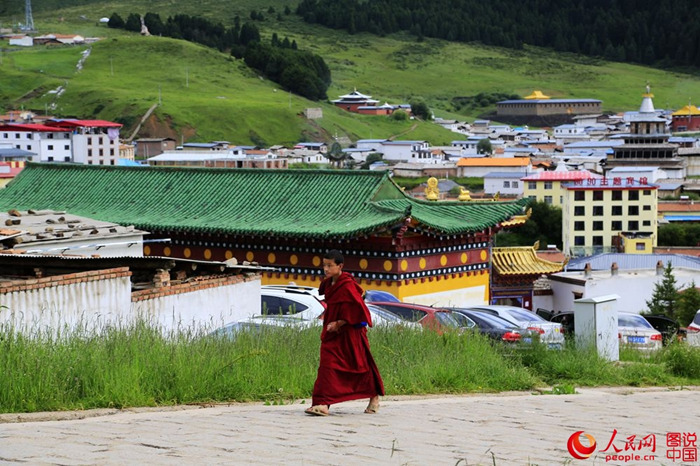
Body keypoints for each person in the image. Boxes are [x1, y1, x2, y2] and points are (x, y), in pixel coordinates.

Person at [305, 249, 385, 416]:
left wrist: (339, 323)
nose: (326, 269)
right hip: (332, 333)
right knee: (327, 365)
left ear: (340, 266)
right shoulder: (329, 284)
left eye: (329, 266)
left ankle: (374, 398)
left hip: (350, 333)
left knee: (360, 366)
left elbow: (359, 311)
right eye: (324, 265)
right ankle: (323, 403)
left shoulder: (347, 285)